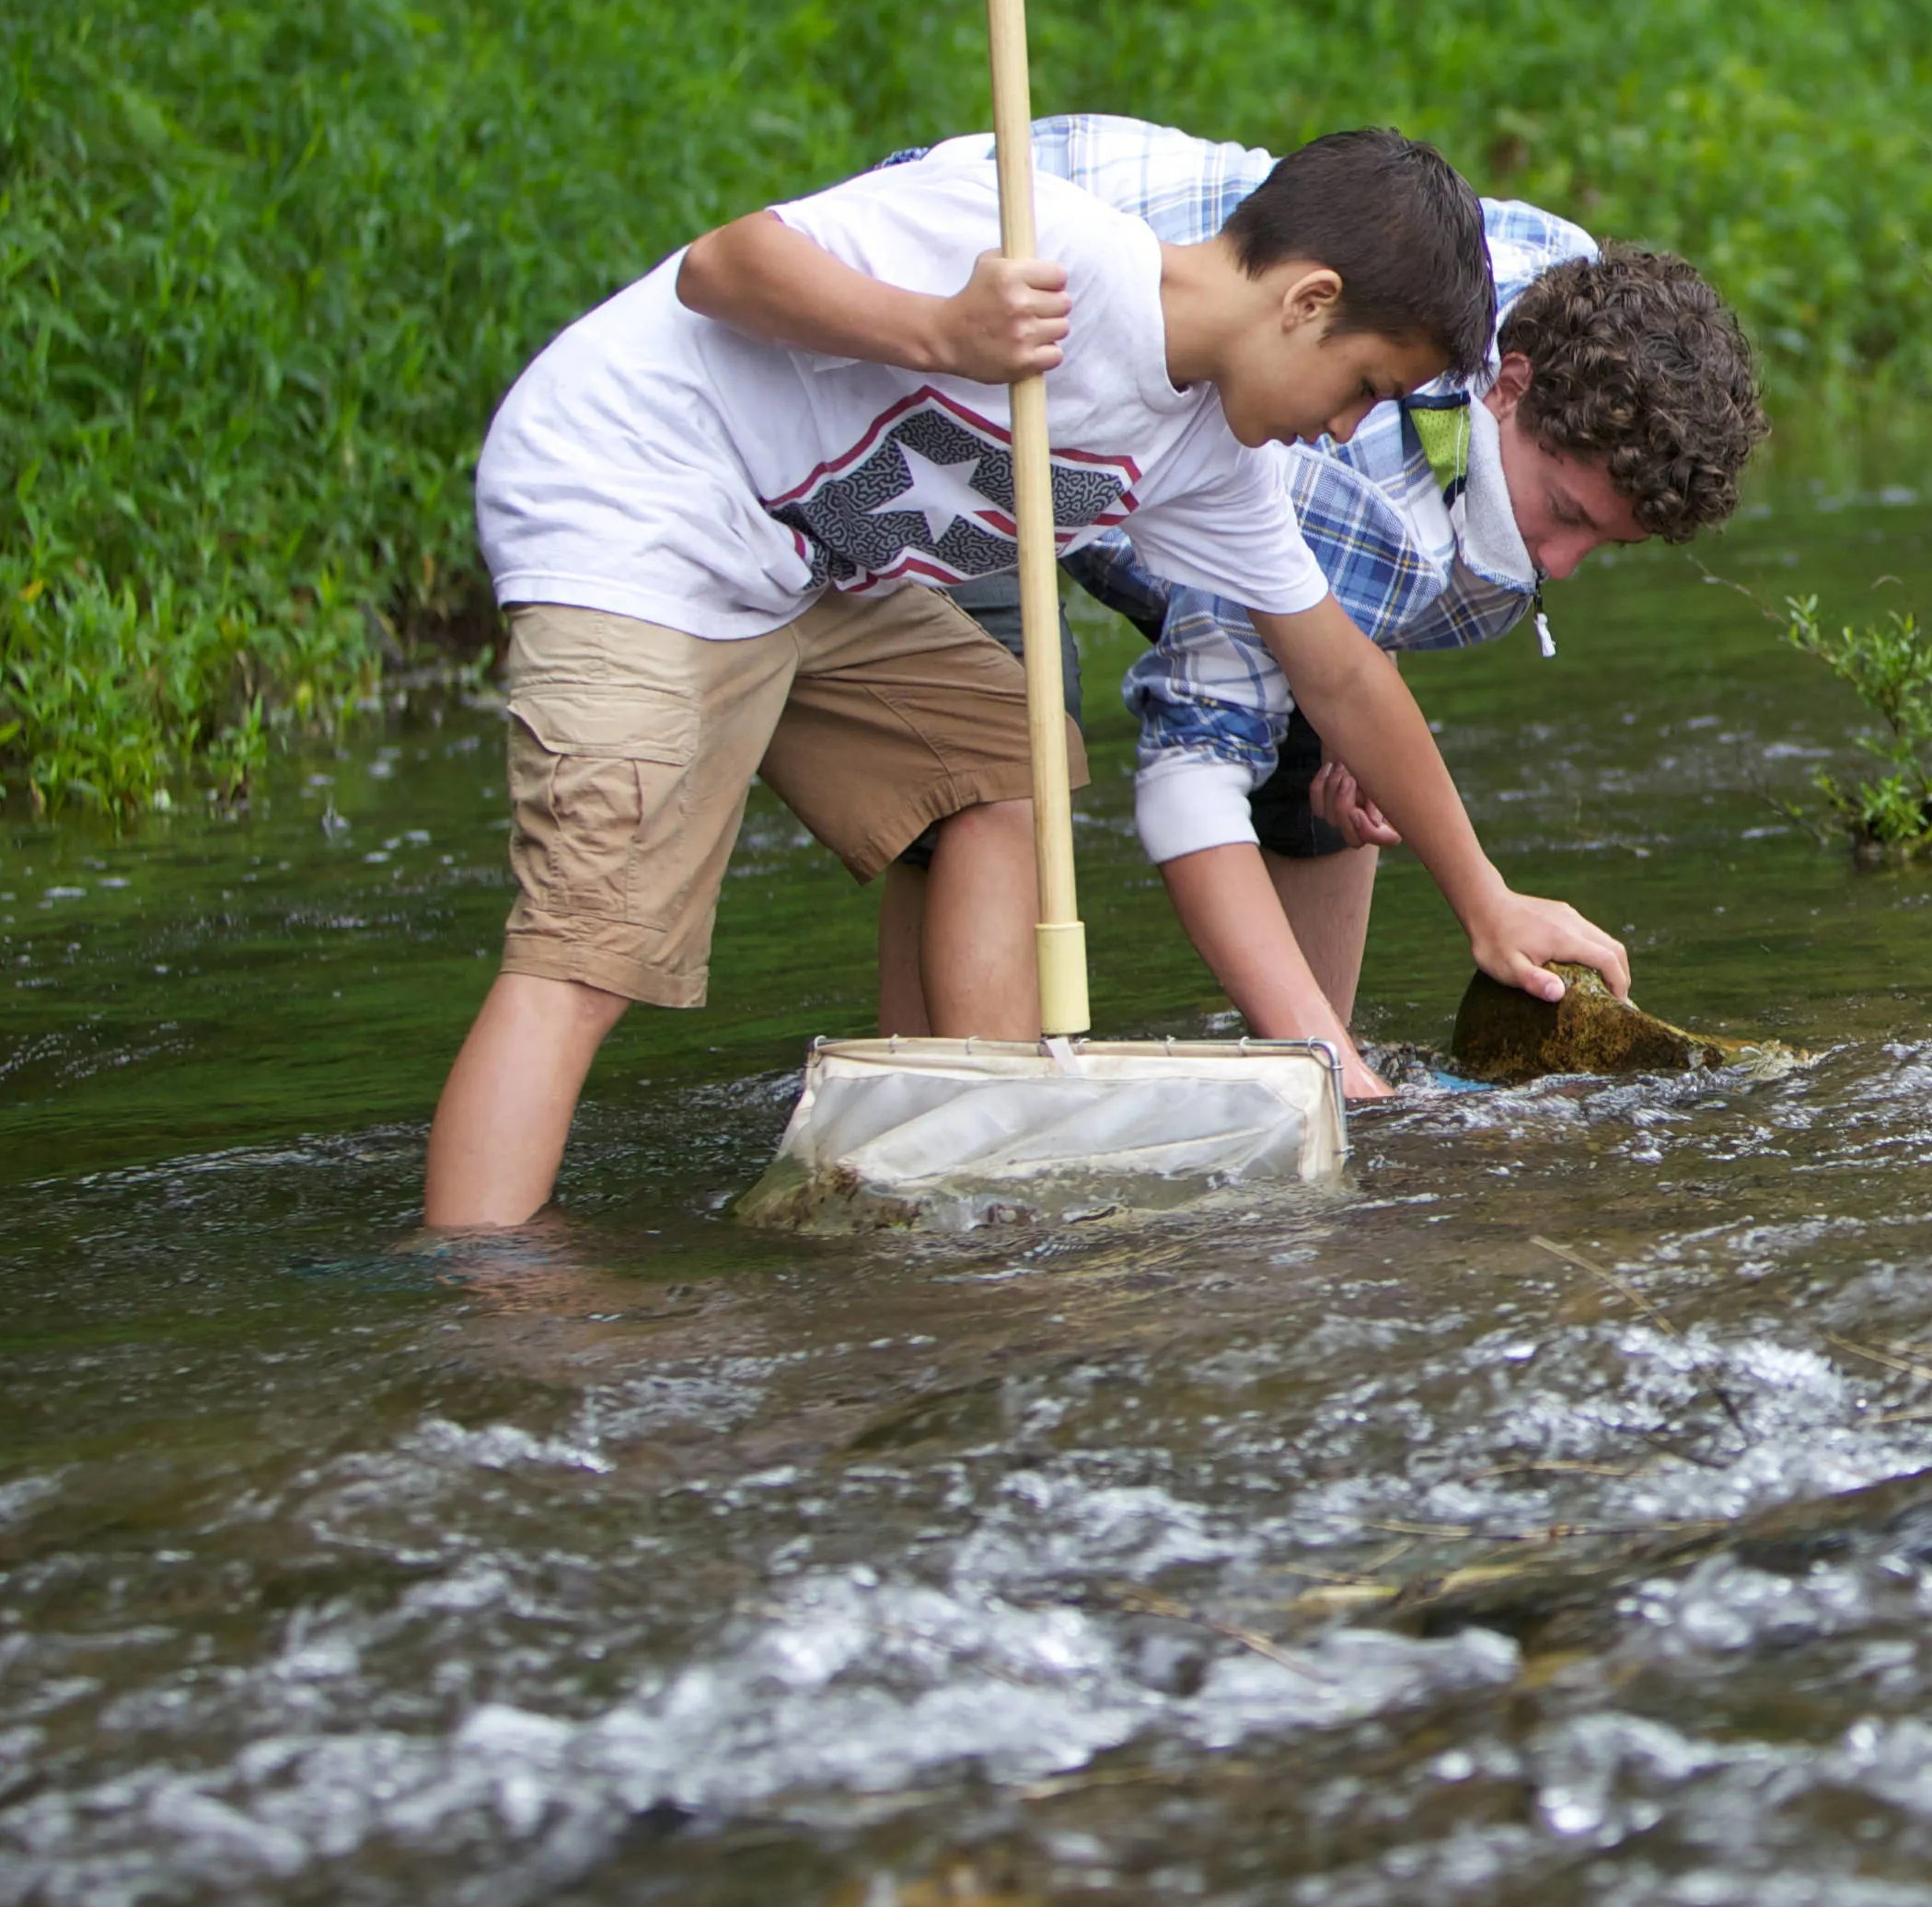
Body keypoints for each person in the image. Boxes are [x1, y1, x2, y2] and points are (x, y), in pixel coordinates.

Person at [421, 128, 1632, 1229]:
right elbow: (721, 268)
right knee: (592, 953)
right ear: (1307, 302)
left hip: (802, 571)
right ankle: (479, 1328)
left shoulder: (1218, 458)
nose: (1344, 427)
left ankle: (990, 1169)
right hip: (638, 505)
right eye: (1364, 385)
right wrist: (942, 334)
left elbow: (1346, 680)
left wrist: (1484, 900)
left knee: (1008, 762)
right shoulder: (1051, 254)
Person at [874, 115, 1764, 1081]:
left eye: (1606, 544)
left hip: (1204, 409)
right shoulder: (1331, 466)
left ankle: (1310, 1087)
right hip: (971, 323)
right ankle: (951, 1096)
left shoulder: (1563, 275)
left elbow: (1366, 617)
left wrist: (1481, 890)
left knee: (1324, 733)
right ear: (1512, 385)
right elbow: (1190, 778)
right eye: (1564, 513)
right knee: (998, 744)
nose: (1563, 562)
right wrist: (1343, 1065)